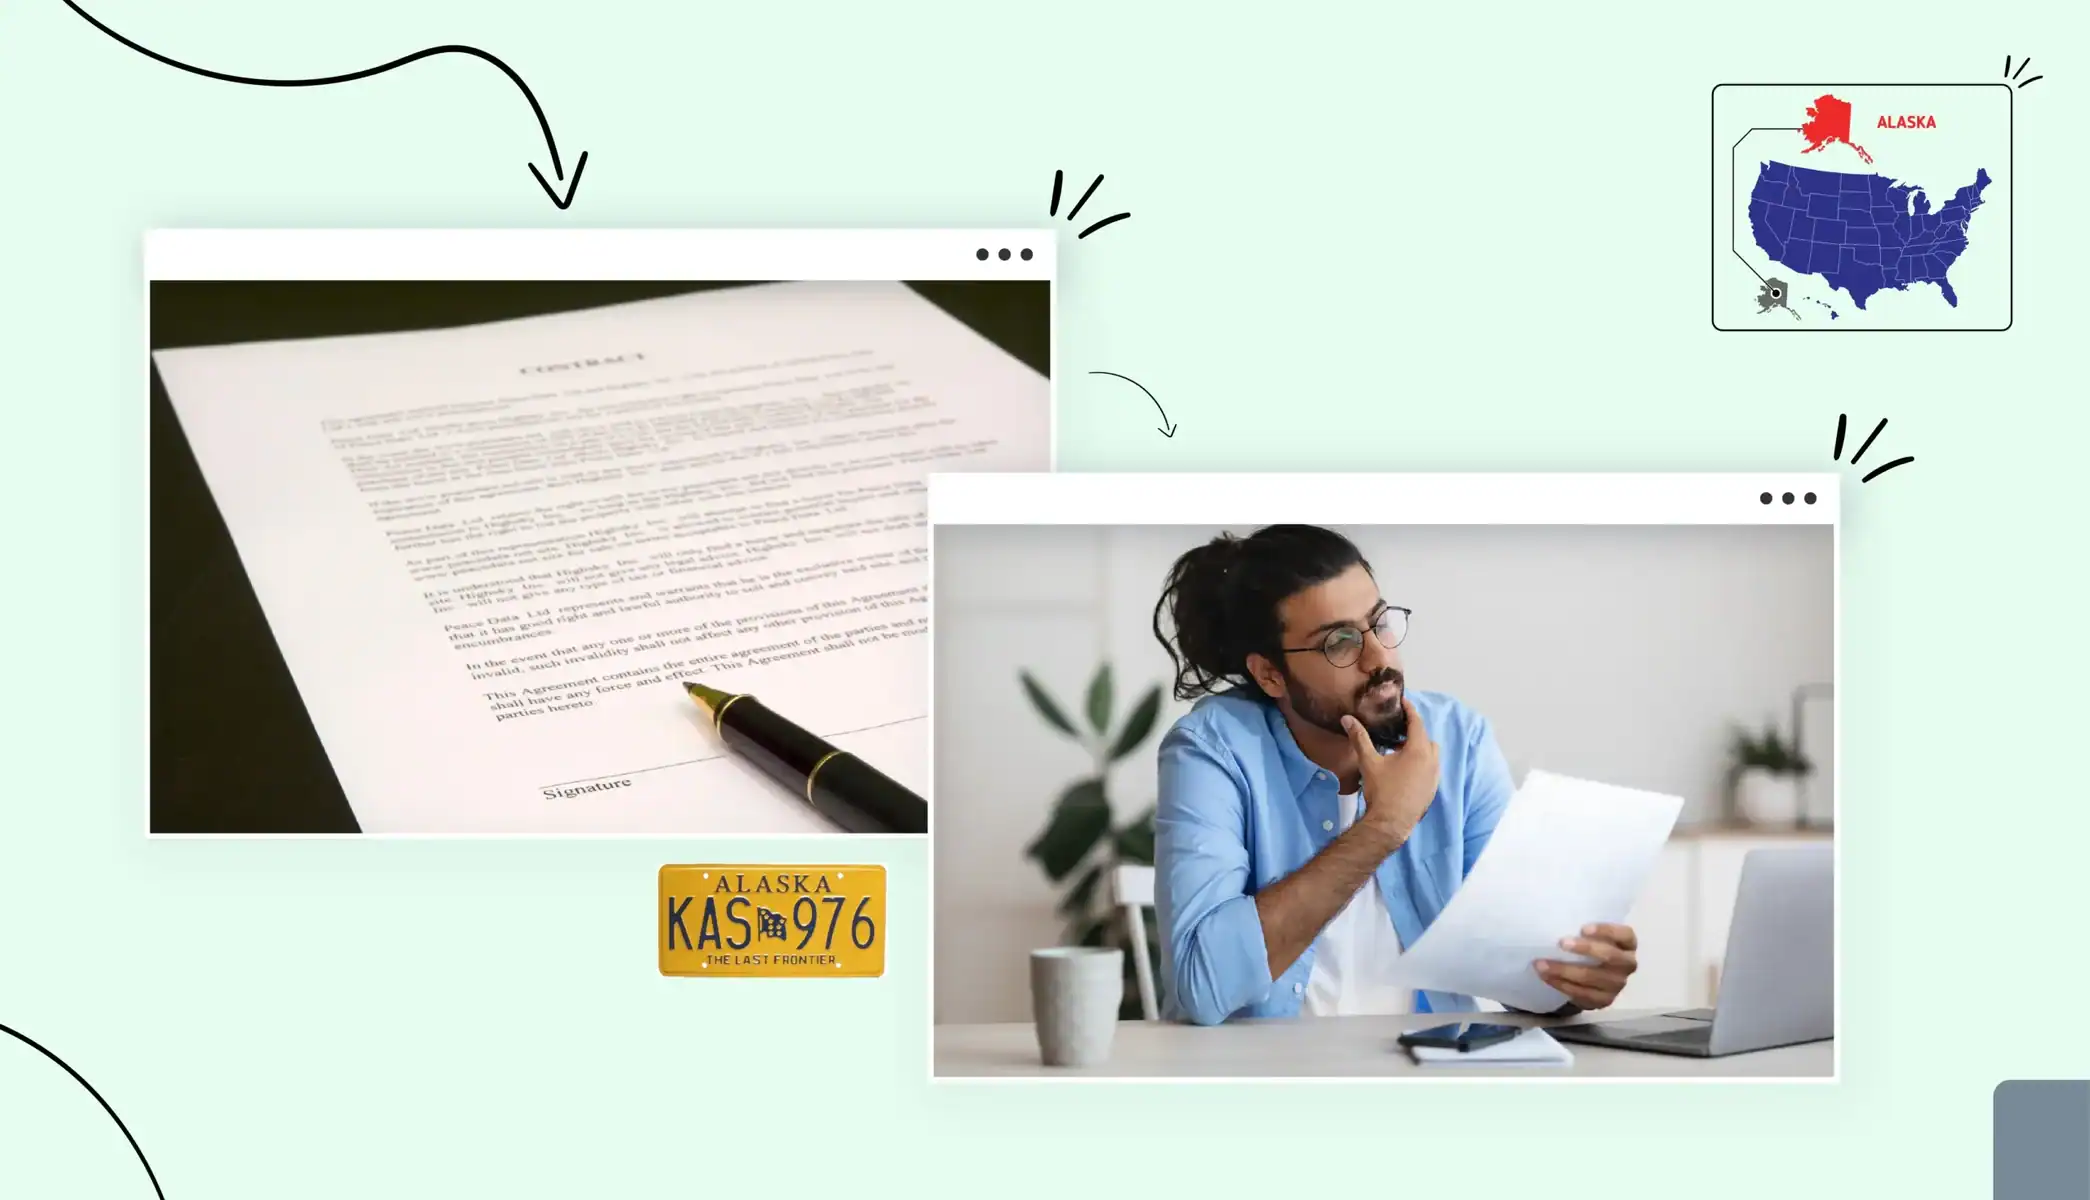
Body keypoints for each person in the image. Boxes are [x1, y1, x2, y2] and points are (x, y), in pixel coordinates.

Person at [1150, 524, 1639, 1026]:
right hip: (1266, 1083)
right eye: (1339, 643)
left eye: (1379, 623)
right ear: (1270, 674)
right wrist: (1384, 826)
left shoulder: (1459, 741)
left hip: (1432, 1074)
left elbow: (1513, 960)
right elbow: (1200, 988)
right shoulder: (1214, 750)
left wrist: (1574, 982)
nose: (1380, 659)